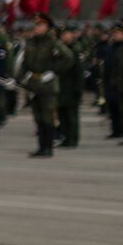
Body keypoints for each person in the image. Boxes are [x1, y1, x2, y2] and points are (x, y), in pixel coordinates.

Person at [19, 13, 73, 158]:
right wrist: (19, 78)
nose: (37, 28)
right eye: (36, 25)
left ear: (47, 27)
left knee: (47, 116)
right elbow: (25, 62)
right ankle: (41, 147)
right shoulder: (31, 42)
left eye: (40, 25)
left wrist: (54, 71)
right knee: (37, 117)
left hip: (47, 84)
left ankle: (48, 148)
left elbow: (68, 57)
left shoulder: (53, 42)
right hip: (34, 83)